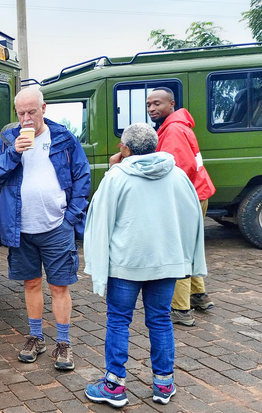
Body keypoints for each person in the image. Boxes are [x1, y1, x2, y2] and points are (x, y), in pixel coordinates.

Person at [83, 123, 206, 408]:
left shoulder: (117, 177)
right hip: (166, 262)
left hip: (126, 264)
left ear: (125, 148)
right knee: (161, 320)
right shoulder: (176, 175)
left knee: (118, 320)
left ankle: (114, 386)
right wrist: (186, 258)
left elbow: (99, 220)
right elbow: (192, 218)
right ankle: (164, 384)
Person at [0, 88, 90, 369]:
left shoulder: (64, 138)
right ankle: (35, 336)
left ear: (44, 107)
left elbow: (82, 176)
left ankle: (63, 343)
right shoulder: (8, 139)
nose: (27, 118)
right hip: (22, 228)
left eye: (32, 111)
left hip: (57, 226)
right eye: (21, 113)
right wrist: (13, 154)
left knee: (59, 286)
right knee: (31, 283)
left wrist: (71, 217)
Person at [112, 87, 216, 326]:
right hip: (197, 192)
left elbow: (170, 170)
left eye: (157, 104)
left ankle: (181, 308)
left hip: (186, 196)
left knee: (175, 249)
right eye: (148, 104)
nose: (151, 108)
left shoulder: (174, 131)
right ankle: (198, 295)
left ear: (171, 104)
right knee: (187, 245)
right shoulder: (178, 125)